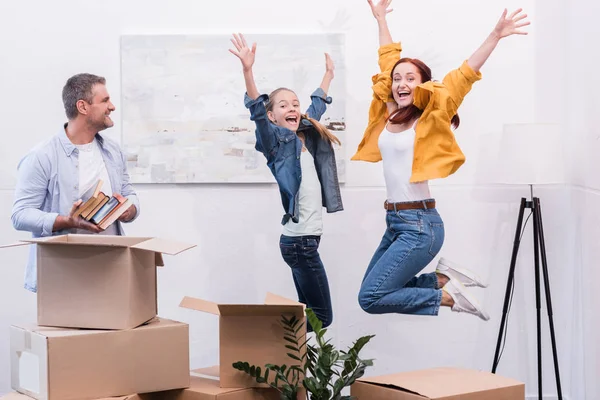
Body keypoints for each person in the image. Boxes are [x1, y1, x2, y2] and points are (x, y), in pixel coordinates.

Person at [354, 0, 530, 321]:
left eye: (410, 78)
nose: (401, 83)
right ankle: (443, 278)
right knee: (374, 289)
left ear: (423, 83)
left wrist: (495, 35)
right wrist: (380, 19)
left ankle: (448, 297)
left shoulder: (432, 114)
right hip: (395, 222)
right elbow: (388, 58)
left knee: (371, 297)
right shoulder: (390, 109)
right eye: (397, 79)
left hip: (420, 226)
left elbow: (466, 73)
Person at [229, 33, 343, 329]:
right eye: (283, 106)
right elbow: (256, 110)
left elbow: (316, 106)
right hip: (299, 243)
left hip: (305, 240)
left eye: (295, 104)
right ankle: (266, 340)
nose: (292, 109)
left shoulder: (305, 132)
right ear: (272, 116)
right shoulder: (276, 145)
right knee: (323, 317)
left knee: (306, 314)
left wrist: (328, 76)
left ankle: (285, 359)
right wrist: (247, 71)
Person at [11, 73, 140, 292]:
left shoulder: (113, 151)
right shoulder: (42, 156)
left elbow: (129, 193)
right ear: (83, 106)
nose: (112, 106)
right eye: (105, 100)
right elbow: (20, 215)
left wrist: (127, 210)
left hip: (111, 270)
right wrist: (67, 221)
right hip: (62, 276)